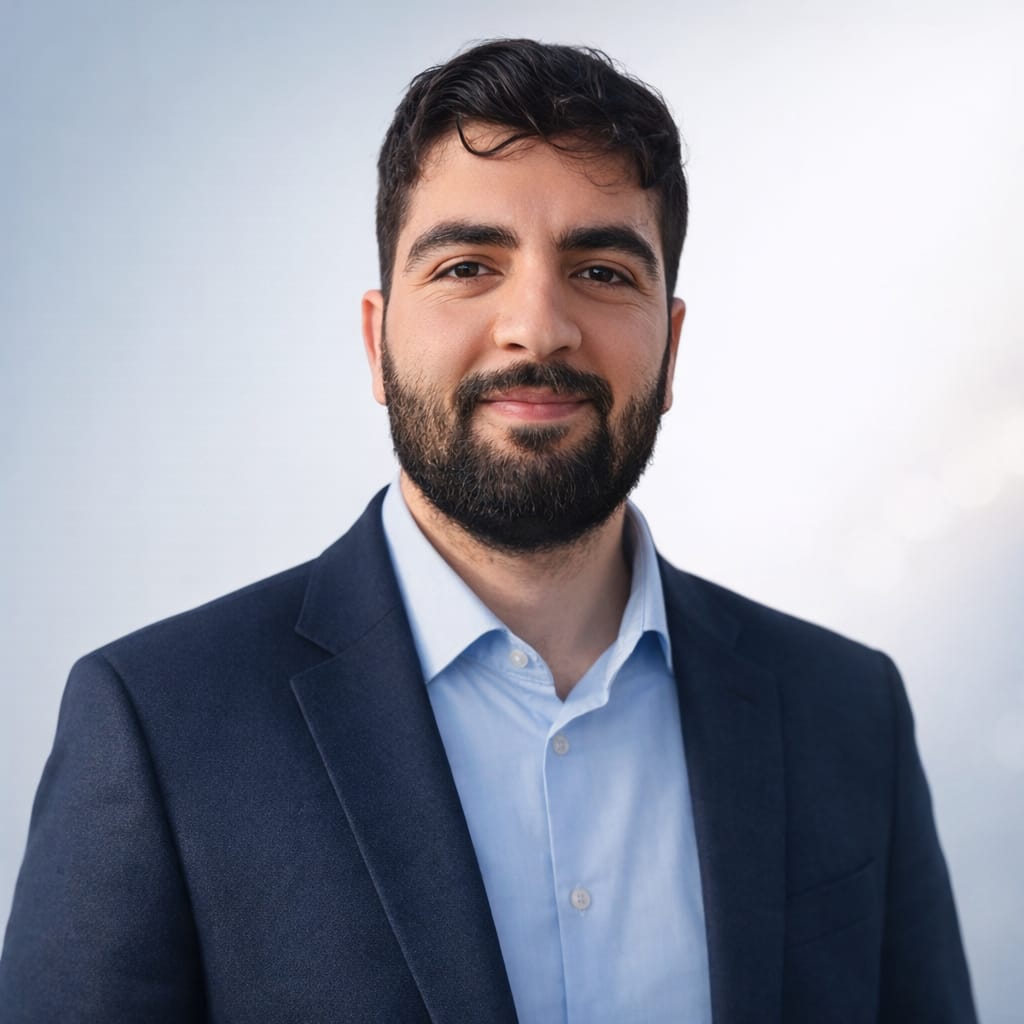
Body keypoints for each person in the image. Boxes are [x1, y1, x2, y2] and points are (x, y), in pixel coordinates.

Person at [0, 38, 976, 1024]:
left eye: (600, 270)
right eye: (469, 265)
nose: (537, 326)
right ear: (376, 342)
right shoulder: (160, 725)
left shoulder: (846, 714)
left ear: (671, 347)